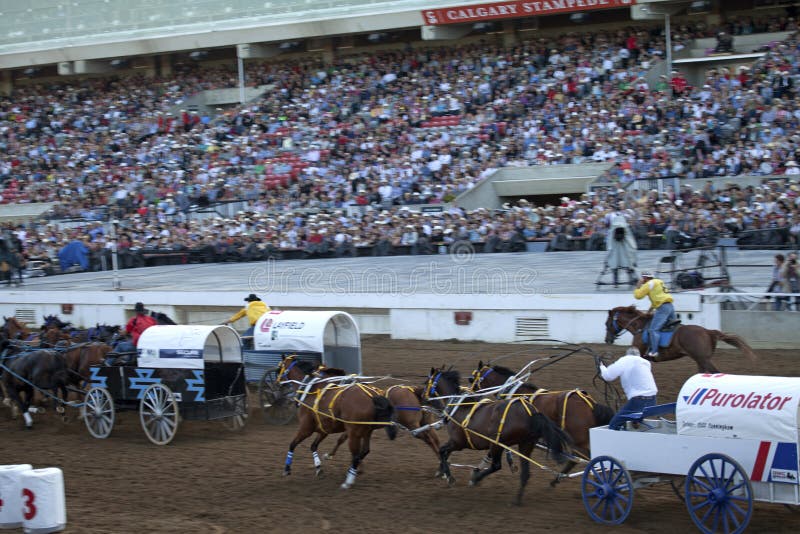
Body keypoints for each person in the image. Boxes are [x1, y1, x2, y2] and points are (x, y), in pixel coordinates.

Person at [599, 346, 658, 430]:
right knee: (633, 413)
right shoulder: (645, 362)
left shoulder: (625, 360)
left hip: (638, 401)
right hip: (652, 401)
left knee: (614, 424)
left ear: (627, 354)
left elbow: (608, 376)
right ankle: (636, 420)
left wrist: (602, 367)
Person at [633, 271, 676, 359]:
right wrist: (649, 311)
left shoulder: (648, 284)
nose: (642, 280)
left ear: (645, 278)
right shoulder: (659, 282)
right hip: (670, 307)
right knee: (671, 327)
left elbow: (638, 296)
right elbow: (656, 299)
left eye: (642, 278)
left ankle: (654, 352)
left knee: (653, 330)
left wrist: (638, 285)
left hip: (662, 308)